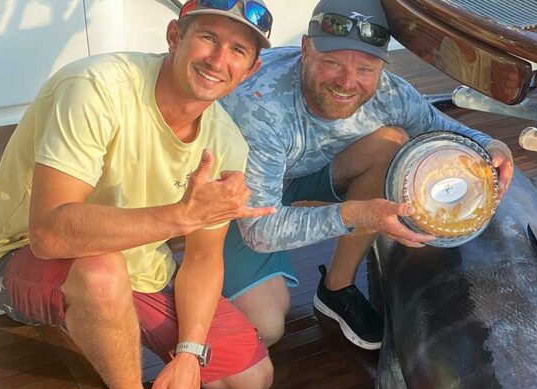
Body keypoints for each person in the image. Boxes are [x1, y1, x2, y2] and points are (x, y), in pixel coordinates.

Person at [0, 0, 278, 389]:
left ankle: (103, 335)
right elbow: (49, 236)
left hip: (140, 267)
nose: (218, 59)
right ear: (174, 35)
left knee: (250, 378)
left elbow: (205, 260)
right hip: (17, 255)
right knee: (100, 270)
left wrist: (189, 354)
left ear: (251, 68)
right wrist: (180, 216)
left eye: (238, 50)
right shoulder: (97, 86)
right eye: (208, 37)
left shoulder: (226, 141)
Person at [218, 0, 514, 350]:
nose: (347, 82)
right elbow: (260, 232)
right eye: (332, 62)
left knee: (392, 144)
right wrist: (358, 215)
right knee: (267, 325)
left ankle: (337, 288)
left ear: (380, 67)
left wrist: (491, 144)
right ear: (305, 49)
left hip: (304, 171)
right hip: (239, 197)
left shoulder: (391, 92)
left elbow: (437, 125)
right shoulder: (261, 107)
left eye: (365, 69)